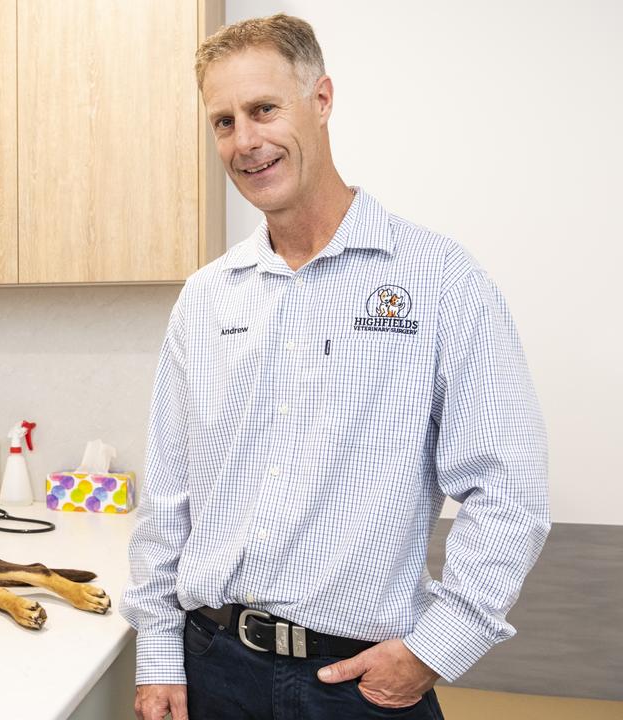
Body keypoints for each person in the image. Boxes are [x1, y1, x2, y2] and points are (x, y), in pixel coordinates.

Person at [121, 14, 549, 720]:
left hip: (359, 685)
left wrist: (434, 650)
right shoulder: (205, 300)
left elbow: (510, 493)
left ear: (320, 101)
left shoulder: (440, 280)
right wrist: (160, 653)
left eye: (264, 109)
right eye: (223, 122)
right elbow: (170, 500)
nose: (245, 141)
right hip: (211, 670)